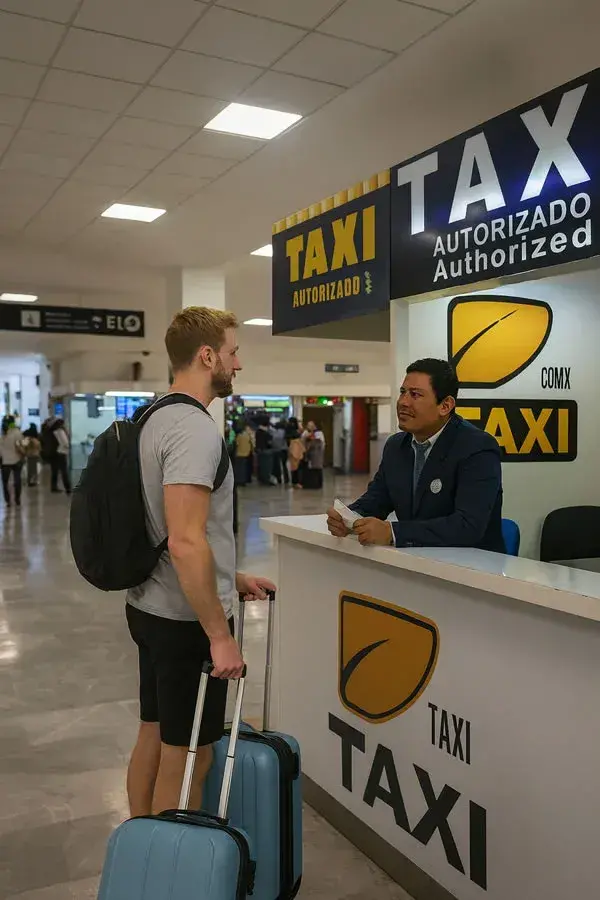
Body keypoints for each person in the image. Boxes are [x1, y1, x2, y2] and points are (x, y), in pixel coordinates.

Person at [125, 306, 275, 817]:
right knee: (189, 756)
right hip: (185, 621)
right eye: (233, 352)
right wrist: (219, 634)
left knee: (154, 730)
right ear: (208, 355)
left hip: (149, 604)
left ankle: (139, 847)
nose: (238, 364)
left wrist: (231, 578)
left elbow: (167, 527)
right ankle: (169, 873)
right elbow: (186, 541)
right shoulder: (195, 430)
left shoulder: (153, 417)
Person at [327, 358, 504, 551]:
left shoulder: (477, 448)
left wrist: (394, 533)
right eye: (403, 392)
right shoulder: (396, 446)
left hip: (473, 569)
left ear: (445, 406)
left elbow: (468, 526)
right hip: (416, 565)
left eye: (415, 395)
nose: (403, 402)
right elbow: (377, 499)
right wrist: (350, 517)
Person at [0, 416, 24, 507]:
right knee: (17, 480)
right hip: (16, 459)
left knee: (5, 482)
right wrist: (23, 454)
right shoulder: (17, 433)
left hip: (4, 461)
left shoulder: (2, 433)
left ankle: (8, 501)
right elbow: (20, 445)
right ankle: (17, 499)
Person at [302, 421, 325, 490]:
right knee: (312, 469)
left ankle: (318, 484)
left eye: (311, 425)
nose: (309, 427)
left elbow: (319, 442)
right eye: (308, 425)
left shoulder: (319, 433)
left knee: (317, 468)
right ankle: (312, 483)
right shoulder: (306, 433)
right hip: (310, 454)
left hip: (317, 453)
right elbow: (303, 440)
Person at [286, 418, 305, 489]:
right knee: (297, 466)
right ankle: (297, 482)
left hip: (292, 449)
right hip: (296, 449)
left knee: (293, 467)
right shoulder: (295, 432)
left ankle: (295, 482)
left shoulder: (288, 431)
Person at [234, 421, 254, 485]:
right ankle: (244, 480)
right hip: (247, 454)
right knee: (245, 468)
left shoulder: (239, 436)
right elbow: (252, 445)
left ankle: (239, 480)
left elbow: (237, 444)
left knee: (239, 468)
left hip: (239, 454)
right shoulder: (249, 436)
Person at [271, 421, 290, 486]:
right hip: (284, 450)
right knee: (284, 465)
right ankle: (286, 479)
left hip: (276, 450)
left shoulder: (275, 433)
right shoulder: (285, 432)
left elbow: (273, 441)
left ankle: (279, 479)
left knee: (277, 465)